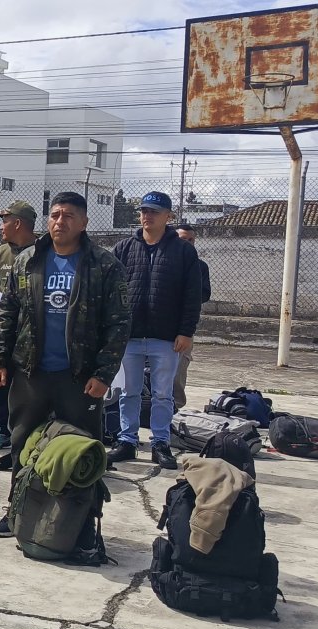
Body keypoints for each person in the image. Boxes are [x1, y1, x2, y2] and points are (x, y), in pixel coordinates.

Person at [0, 191, 131, 537]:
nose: (59, 221)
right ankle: (17, 510)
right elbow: (8, 312)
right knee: (22, 445)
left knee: (83, 449)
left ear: (83, 223)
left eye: (68, 216)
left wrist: (103, 373)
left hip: (79, 377)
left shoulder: (104, 265)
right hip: (31, 373)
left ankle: (84, 521)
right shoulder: (28, 260)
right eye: (54, 215)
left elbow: (120, 323)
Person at [109, 192, 202, 469]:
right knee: (128, 392)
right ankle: (127, 440)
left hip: (166, 337)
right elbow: (111, 291)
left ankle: (160, 442)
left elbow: (192, 295)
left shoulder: (183, 251)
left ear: (168, 217)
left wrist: (185, 332)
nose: (147, 216)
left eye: (154, 211)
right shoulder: (125, 248)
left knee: (163, 394)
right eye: (144, 211)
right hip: (130, 336)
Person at [0, 200, 39, 452]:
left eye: (5, 220)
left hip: (30, 335)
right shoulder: (1, 252)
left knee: (28, 386)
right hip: (0, 331)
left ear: (18, 223)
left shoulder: (43, 252)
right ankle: (1, 428)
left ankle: (26, 430)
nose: (2, 226)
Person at [173, 223, 210, 410]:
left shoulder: (200, 266)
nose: (188, 243)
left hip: (184, 325)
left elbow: (205, 294)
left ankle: (176, 405)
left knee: (180, 367)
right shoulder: (164, 261)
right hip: (158, 323)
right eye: (183, 239)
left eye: (191, 240)